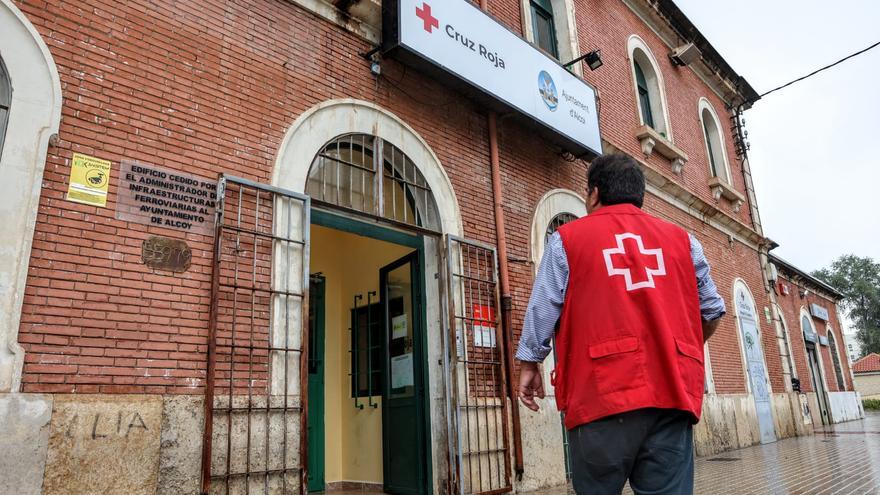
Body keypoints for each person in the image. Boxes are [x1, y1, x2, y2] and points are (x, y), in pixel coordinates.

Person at [516, 153, 725, 495]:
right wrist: (676, 351)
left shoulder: (567, 241)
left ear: (594, 193)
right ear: (639, 195)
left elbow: (543, 308)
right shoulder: (685, 242)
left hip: (599, 396)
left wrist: (530, 362)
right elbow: (713, 311)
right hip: (671, 398)